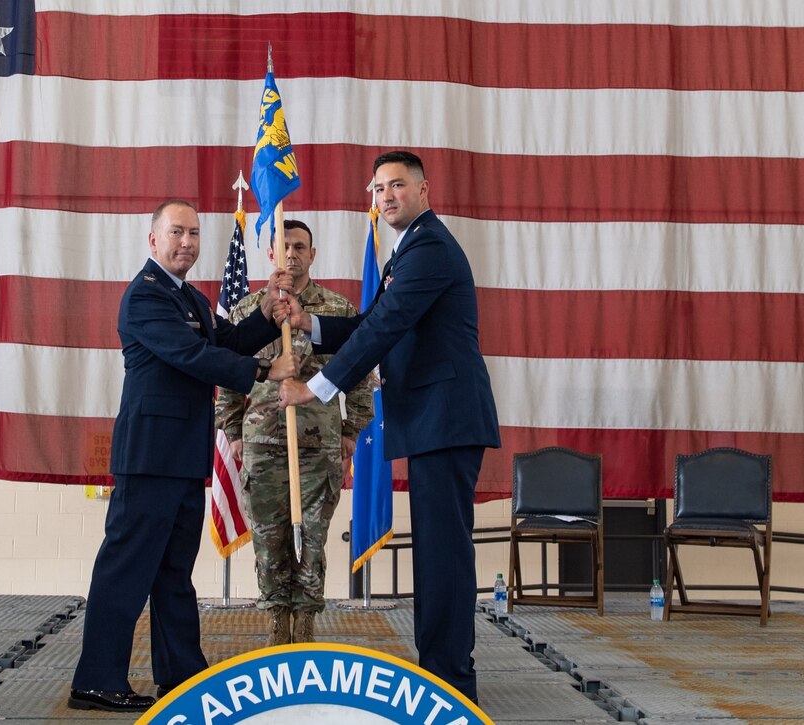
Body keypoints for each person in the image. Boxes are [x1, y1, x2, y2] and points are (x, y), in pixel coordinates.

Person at [278, 151, 500, 704]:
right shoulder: (408, 250)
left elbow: (388, 325)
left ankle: (452, 684)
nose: (386, 197)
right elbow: (372, 321)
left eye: (397, 185)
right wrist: (311, 322)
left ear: (425, 190)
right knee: (435, 549)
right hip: (433, 420)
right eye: (378, 189)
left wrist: (317, 387)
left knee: (443, 553)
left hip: (444, 419)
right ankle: (443, 672)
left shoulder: (428, 247)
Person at [69, 199, 298, 713]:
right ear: (153, 240)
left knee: (174, 573)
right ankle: (96, 680)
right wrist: (266, 373)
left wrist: (264, 313)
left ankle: (182, 676)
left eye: (194, 234)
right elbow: (193, 357)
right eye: (176, 233)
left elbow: (229, 340)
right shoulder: (146, 297)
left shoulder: (190, 298)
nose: (187, 243)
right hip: (150, 458)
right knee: (125, 571)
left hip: (181, 458)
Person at [215, 219, 374, 646]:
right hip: (262, 445)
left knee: (314, 540)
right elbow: (228, 376)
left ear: (313, 254)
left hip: (318, 445)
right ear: (270, 254)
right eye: (283, 246)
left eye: (300, 246)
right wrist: (232, 432)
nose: (292, 253)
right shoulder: (248, 310)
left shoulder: (336, 310)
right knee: (270, 540)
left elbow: (360, 375)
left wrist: (351, 431)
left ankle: (305, 620)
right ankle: (275, 620)